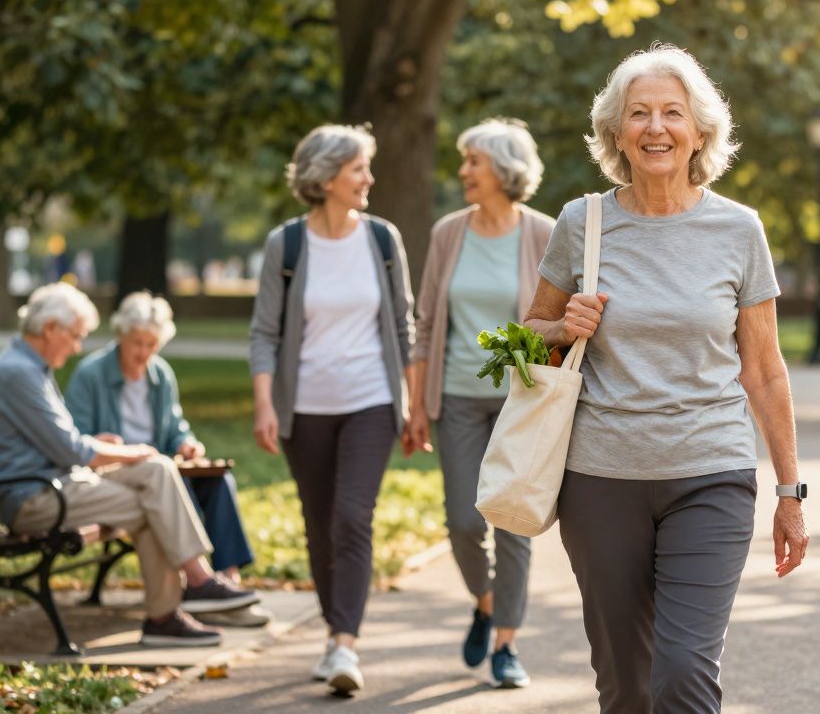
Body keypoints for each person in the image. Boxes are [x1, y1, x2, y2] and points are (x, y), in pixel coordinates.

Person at [523, 45, 807, 713]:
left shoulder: (738, 230)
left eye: (672, 113)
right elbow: (526, 335)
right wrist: (565, 325)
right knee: (625, 685)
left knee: (682, 673)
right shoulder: (582, 224)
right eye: (639, 114)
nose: (656, 128)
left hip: (711, 474)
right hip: (600, 481)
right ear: (615, 132)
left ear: (700, 130)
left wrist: (790, 492)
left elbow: (764, 370)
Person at [0, 283, 257, 648]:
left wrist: (120, 450)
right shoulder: (19, 372)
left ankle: (197, 584)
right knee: (151, 498)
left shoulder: (30, 367)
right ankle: (169, 612)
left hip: (55, 482)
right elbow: (70, 448)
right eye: (75, 336)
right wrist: (129, 452)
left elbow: (65, 442)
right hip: (31, 497)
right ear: (50, 329)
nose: (77, 346)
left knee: (157, 469)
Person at [249, 124, 415, 694]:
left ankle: (346, 645)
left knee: (351, 516)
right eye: (358, 168)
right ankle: (332, 631)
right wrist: (265, 404)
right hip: (305, 408)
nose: (369, 177)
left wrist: (410, 401)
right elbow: (264, 332)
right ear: (325, 177)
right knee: (319, 526)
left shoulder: (382, 240)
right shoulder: (286, 245)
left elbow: (403, 325)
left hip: (371, 399)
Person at [406, 119, 553, 688]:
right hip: (459, 401)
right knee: (465, 522)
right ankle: (486, 602)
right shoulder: (448, 233)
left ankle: (507, 645)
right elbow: (423, 325)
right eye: (464, 161)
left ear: (503, 169)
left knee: (513, 523)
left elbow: (557, 317)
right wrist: (416, 404)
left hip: (522, 404)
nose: (463, 171)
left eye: (473, 162)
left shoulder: (542, 233)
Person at [66, 291, 267, 627]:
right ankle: (200, 587)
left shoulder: (160, 375)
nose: (144, 353)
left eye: (151, 344)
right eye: (137, 343)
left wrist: (187, 443)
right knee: (168, 479)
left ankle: (228, 584)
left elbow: (175, 427)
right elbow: (76, 436)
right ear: (121, 336)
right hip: (120, 472)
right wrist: (111, 448)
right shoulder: (91, 375)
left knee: (218, 481)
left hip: (160, 465)